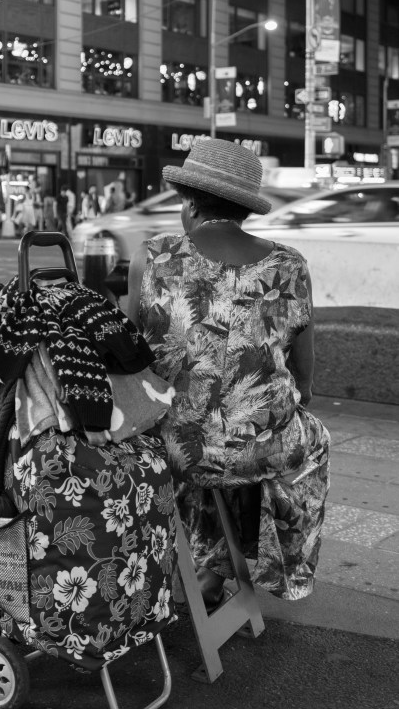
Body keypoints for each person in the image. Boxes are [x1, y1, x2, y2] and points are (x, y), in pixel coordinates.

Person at [127, 137, 330, 605]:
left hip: (173, 446)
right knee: (311, 440)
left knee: (197, 438)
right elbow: (303, 370)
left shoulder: (152, 257)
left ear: (190, 204)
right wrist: (300, 395)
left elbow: (133, 349)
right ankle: (281, 568)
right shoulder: (289, 265)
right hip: (260, 450)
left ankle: (209, 569)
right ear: (244, 208)